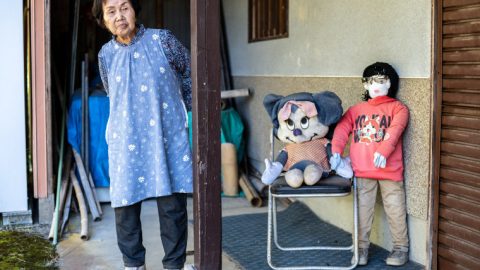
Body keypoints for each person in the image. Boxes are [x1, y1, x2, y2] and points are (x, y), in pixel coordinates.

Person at [92, 0, 192, 269]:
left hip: (166, 136)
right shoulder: (105, 55)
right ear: (103, 20)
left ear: (135, 10)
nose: (119, 16)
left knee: (172, 207)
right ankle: (133, 264)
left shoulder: (163, 40)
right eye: (110, 12)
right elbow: (113, 92)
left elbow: (189, 72)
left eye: (124, 8)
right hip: (125, 139)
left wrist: (190, 111)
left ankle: (174, 265)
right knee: (125, 207)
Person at [330, 62, 409, 266]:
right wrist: (336, 152)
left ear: (390, 83)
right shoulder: (355, 110)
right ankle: (361, 249)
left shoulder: (398, 108)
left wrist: (383, 150)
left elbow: (395, 130)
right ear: (365, 85)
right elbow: (341, 130)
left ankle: (401, 249)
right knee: (362, 211)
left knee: (395, 209)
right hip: (362, 170)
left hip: (390, 171)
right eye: (371, 81)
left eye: (381, 81)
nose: (376, 85)